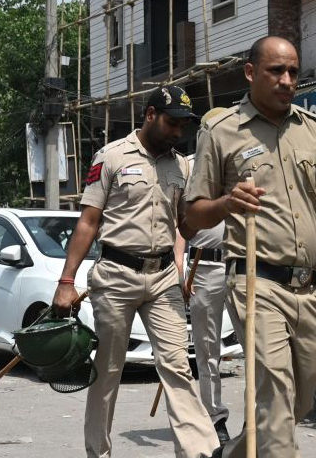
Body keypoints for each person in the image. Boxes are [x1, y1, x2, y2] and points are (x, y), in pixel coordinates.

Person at [183, 36, 316, 457]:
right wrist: (225, 202)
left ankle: (234, 453)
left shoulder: (313, 129)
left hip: (312, 287)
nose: (287, 81)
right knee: (276, 390)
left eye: (293, 72)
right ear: (251, 73)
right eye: (276, 71)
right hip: (257, 283)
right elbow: (192, 216)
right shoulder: (220, 131)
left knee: (301, 394)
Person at [52, 85, 219, 458]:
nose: (178, 131)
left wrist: (217, 207)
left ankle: (200, 452)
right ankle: (99, 451)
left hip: (162, 279)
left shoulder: (183, 166)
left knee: (178, 366)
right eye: (172, 122)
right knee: (108, 370)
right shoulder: (111, 156)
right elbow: (88, 221)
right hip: (115, 275)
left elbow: (185, 224)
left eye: (184, 125)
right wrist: (66, 281)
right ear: (150, 115)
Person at [184, 107, 231, 445]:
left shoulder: (237, 161)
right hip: (204, 266)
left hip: (242, 264)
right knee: (207, 348)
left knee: (257, 342)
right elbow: (178, 224)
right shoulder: (188, 166)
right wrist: (177, 268)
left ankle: (261, 418)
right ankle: (214, 417)